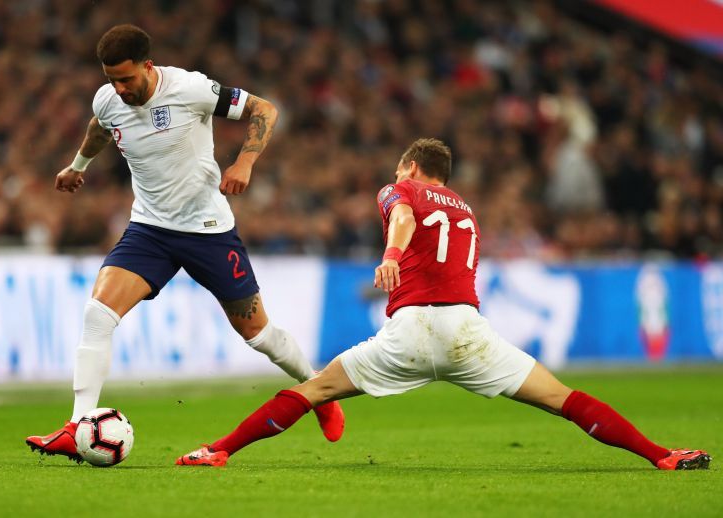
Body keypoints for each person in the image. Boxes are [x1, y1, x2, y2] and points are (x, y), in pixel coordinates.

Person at [176, 138, 711, 471]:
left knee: (313, 390)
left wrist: (389, 254)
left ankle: (218, 450)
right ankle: (660, 455)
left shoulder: (398, 190)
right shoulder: (466, 208)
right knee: (563, 398)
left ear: (410, 166)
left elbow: (404, 222)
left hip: (410, 330)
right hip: (467, 331)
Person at [26, 24, 344, 462]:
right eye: (111, 80)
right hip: (150, 230)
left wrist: (245, 160)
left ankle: (318, 390)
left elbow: (265, 110)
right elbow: (100, 126)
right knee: (98, 314)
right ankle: (76, 425)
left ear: (147, 66)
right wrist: (77, 164)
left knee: (258, 334)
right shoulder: (108, 99)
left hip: (207, 230)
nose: (119, 89)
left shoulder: (190, 89)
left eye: (127, 79)